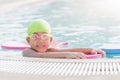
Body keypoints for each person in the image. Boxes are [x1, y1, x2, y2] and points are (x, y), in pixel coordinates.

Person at [23, 19, 106, 59]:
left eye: (45, 37)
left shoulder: (48, 50)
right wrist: (66, 55)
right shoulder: (27, 51)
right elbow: (41, 56)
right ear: (28, 40)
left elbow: (67, 50)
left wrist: (89, 50)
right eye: (35, 37)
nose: (40, 41)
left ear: (50, 40)